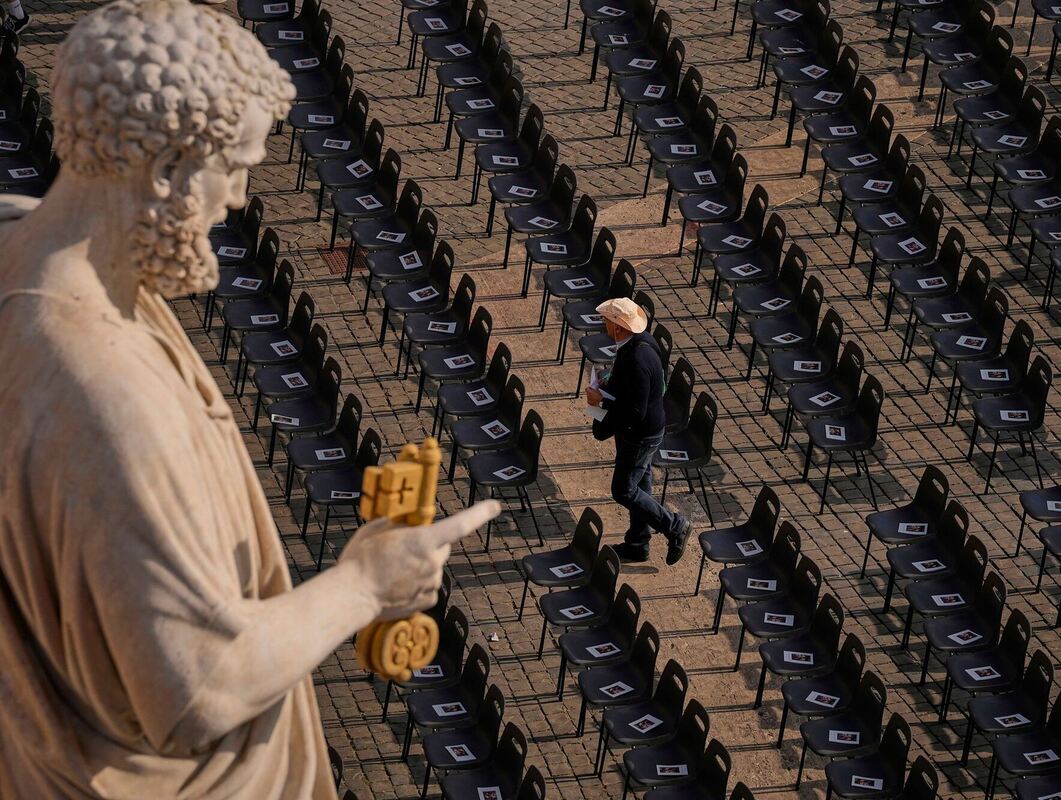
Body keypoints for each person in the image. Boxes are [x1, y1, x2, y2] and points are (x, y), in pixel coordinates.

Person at [0, 2, 498, 798]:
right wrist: (366, 583)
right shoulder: (104, 399)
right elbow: (198, 690)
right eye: (232, 167)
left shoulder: (15, 240)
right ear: (164, 170)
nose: (236, 198)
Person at [585, 297, 692, 565]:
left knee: (624, 490)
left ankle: (674, 526)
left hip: (640, 433)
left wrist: (601, 401)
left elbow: (634, 411)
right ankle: (638, 543)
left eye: (606, 321)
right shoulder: (639, 342)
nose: (603, 324)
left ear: (619, 328)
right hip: (644, 428)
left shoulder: (636, 359)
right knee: (641, 482)